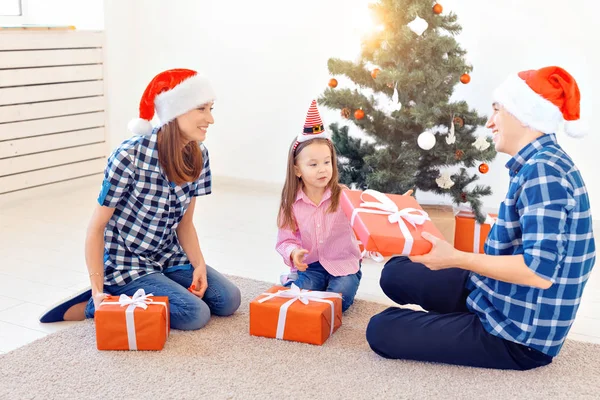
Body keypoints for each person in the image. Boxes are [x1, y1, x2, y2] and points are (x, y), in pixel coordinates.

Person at [366, 66, 596, 370]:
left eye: (497, 110)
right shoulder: (539, 162)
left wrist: (456, 258)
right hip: (495, 293)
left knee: (380, 329)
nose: (490, 122)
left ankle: (459, 325)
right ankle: (457, 320)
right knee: (395, 271)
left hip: (516, 335)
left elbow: (537, 273)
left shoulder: (544, 172)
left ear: (523, 114)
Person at [40, 68, 241, 330]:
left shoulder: (199, 154)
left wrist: (198, 264)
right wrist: (96, 288)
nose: (210, 119)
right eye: (202, 109)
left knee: (228, 300)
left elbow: (185, 224)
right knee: (195, 314)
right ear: (176, 111)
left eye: (211, 109)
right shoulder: (128, 156)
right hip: (128, 262)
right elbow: (97, 227)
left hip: (168, 255)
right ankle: (96, 302)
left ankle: (155, 288)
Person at [275, 100, 362, 312]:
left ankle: (325, 288)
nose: (322, 169)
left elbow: (369, 211)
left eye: (327, 162)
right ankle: (299, 281)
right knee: (297, 300)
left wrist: (389, 205)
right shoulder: (290, 202)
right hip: (312, 266)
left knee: (336, 302)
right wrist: (294, 252)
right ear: (297, 170)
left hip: (344, 265)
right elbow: (284, 240)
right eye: (313, 165)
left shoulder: (344, 196)